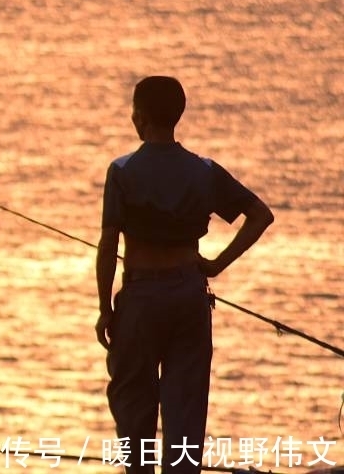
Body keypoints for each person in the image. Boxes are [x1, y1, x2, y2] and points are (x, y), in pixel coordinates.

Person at [95, 76, 273, 474]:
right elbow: (260, 214)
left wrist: (105, 308)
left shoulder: (122, 171)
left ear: (138, 118)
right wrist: (217, 264)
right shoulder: (204, 171)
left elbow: (108, 246)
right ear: (178, 116)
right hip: (190, 297)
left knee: (134, 412)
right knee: (186, 415)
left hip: (140, 298)